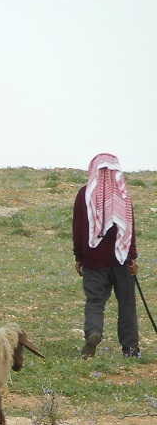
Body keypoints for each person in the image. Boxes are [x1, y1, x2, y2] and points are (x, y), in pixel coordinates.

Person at [74, 153, 140, 359]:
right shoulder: (123, 194)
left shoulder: (84, 195)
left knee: (94, 303)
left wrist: (79, 257)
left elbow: (78, 229)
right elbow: (129, 227)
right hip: (121, 260)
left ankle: (93, 332)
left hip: (93, 260)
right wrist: (132, 256)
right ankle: (130, 348)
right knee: (127, 304)